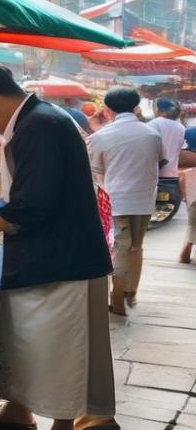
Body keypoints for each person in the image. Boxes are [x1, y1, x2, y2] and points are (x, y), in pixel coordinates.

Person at [0, 61, 116, 430]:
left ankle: (60, 427)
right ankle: (20, 409)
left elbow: (34, 204)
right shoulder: (38, 119)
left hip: (59, 259)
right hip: (53, 253)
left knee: (60, 346)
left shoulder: (38, 125)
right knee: (23, 339)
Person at [87, 88, 163, 314]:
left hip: (116, 201)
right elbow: (158, 161)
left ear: (107, 110)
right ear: (136, 108)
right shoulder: (152, 135)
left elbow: (95, 171)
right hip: (144, 200)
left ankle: (117, 299)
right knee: (136, 247)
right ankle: (131, 291)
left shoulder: (100, 136)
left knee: (119, 248)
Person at [177, 127, 196, 264]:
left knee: (192, 222)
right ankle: (186, 251)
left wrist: (184, 196)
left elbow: (181, 179)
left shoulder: (189, 132)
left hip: (192, 186)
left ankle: (186, 250)